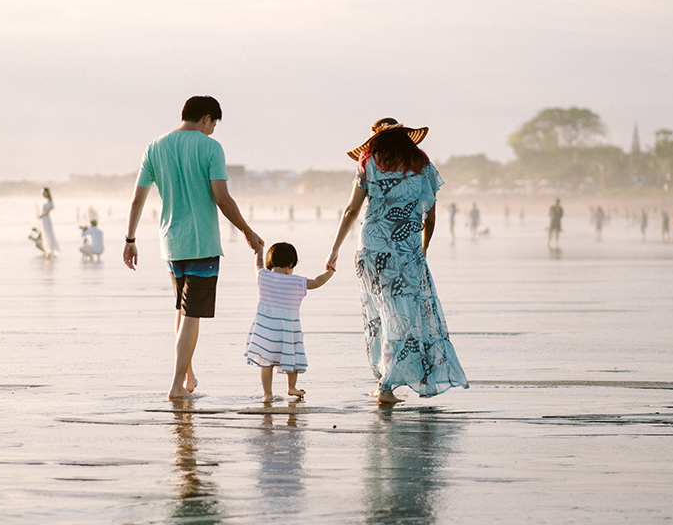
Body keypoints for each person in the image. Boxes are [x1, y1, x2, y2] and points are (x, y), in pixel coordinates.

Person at [123, 95, 263, 399]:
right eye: (213, 124)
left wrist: (130, 239)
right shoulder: (210, 147)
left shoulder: (154, 147)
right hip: (202, 243)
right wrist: (247, 231)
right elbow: (222, 198)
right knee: (191, 315)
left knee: (182, 309)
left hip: (170, 244)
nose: (212, 130)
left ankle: (187, 376)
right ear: (207, 118)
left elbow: (137, 199)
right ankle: (176, 386)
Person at [326, 117, 468, 404]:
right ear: (405, 137)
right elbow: (431, 215)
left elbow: (351, 210)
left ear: (375, 139)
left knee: (379, 315)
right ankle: (391, 384)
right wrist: (423, 248)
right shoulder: (422, 164)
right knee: (405, 315)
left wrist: (334, 249)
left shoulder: (368, 162)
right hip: (406, 252)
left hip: (370, 249)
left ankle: (385, 381)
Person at [244, 242, 333, 400]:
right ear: (290, 264)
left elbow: (257, 264)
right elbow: (317, 282)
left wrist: (259, 250)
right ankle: (291, 388)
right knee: (292, 359)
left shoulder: (263, 276)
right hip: (288, 330)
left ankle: (267, 394)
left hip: (267, 331)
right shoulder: (296, 281)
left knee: (266, 363)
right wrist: (330, 272)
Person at [37, 188, 60, 258]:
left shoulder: (49, 201)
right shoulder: (44, 201)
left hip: (46, 219)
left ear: (47, 193)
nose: (43, 194)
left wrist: (41, 215)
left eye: (44, 192)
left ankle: (50, 249)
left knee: (48, 233)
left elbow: (47, 211)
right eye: (42, 193)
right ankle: (47, 249)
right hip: (43, 220)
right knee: (44, 234)